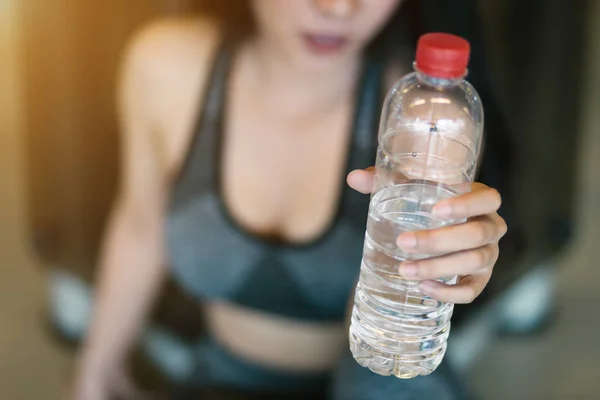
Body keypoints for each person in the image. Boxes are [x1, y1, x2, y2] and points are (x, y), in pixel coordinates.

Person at [73, 0, 509, 398]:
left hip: (381, 381)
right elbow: (140, 225)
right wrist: (95, 369)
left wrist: (443, 269)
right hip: (218, 379)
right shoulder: (167, 69)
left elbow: (405, 309)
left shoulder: (430, 120)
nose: (338, 9)